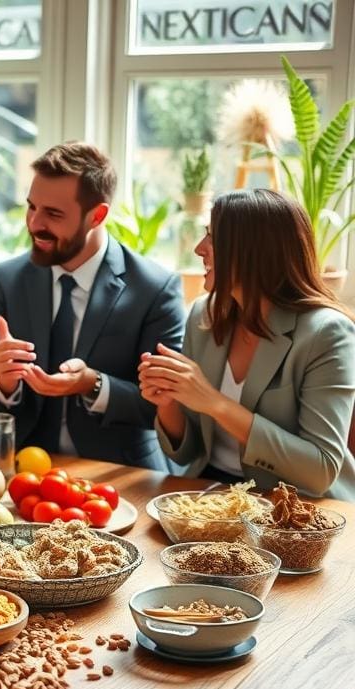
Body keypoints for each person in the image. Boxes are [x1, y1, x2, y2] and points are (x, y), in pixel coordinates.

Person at [0, 142, 185, 470]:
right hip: (30, 469)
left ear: (97, 216)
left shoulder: (154, 288)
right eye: (31, 207)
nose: (34, 223)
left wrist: (93, 384)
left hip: (121, 472)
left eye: (53, 214)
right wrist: (3, 381)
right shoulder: (10, 278)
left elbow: (163, 408)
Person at [138, 189, 355, 498]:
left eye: (214, 238)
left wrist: (215, 403)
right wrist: (169, 401)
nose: (200, 249)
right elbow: (187, 454)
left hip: (296, 506)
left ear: (254, 252)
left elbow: (320, 471)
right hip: (212, 495)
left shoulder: (326, 333)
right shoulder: (203, 315)